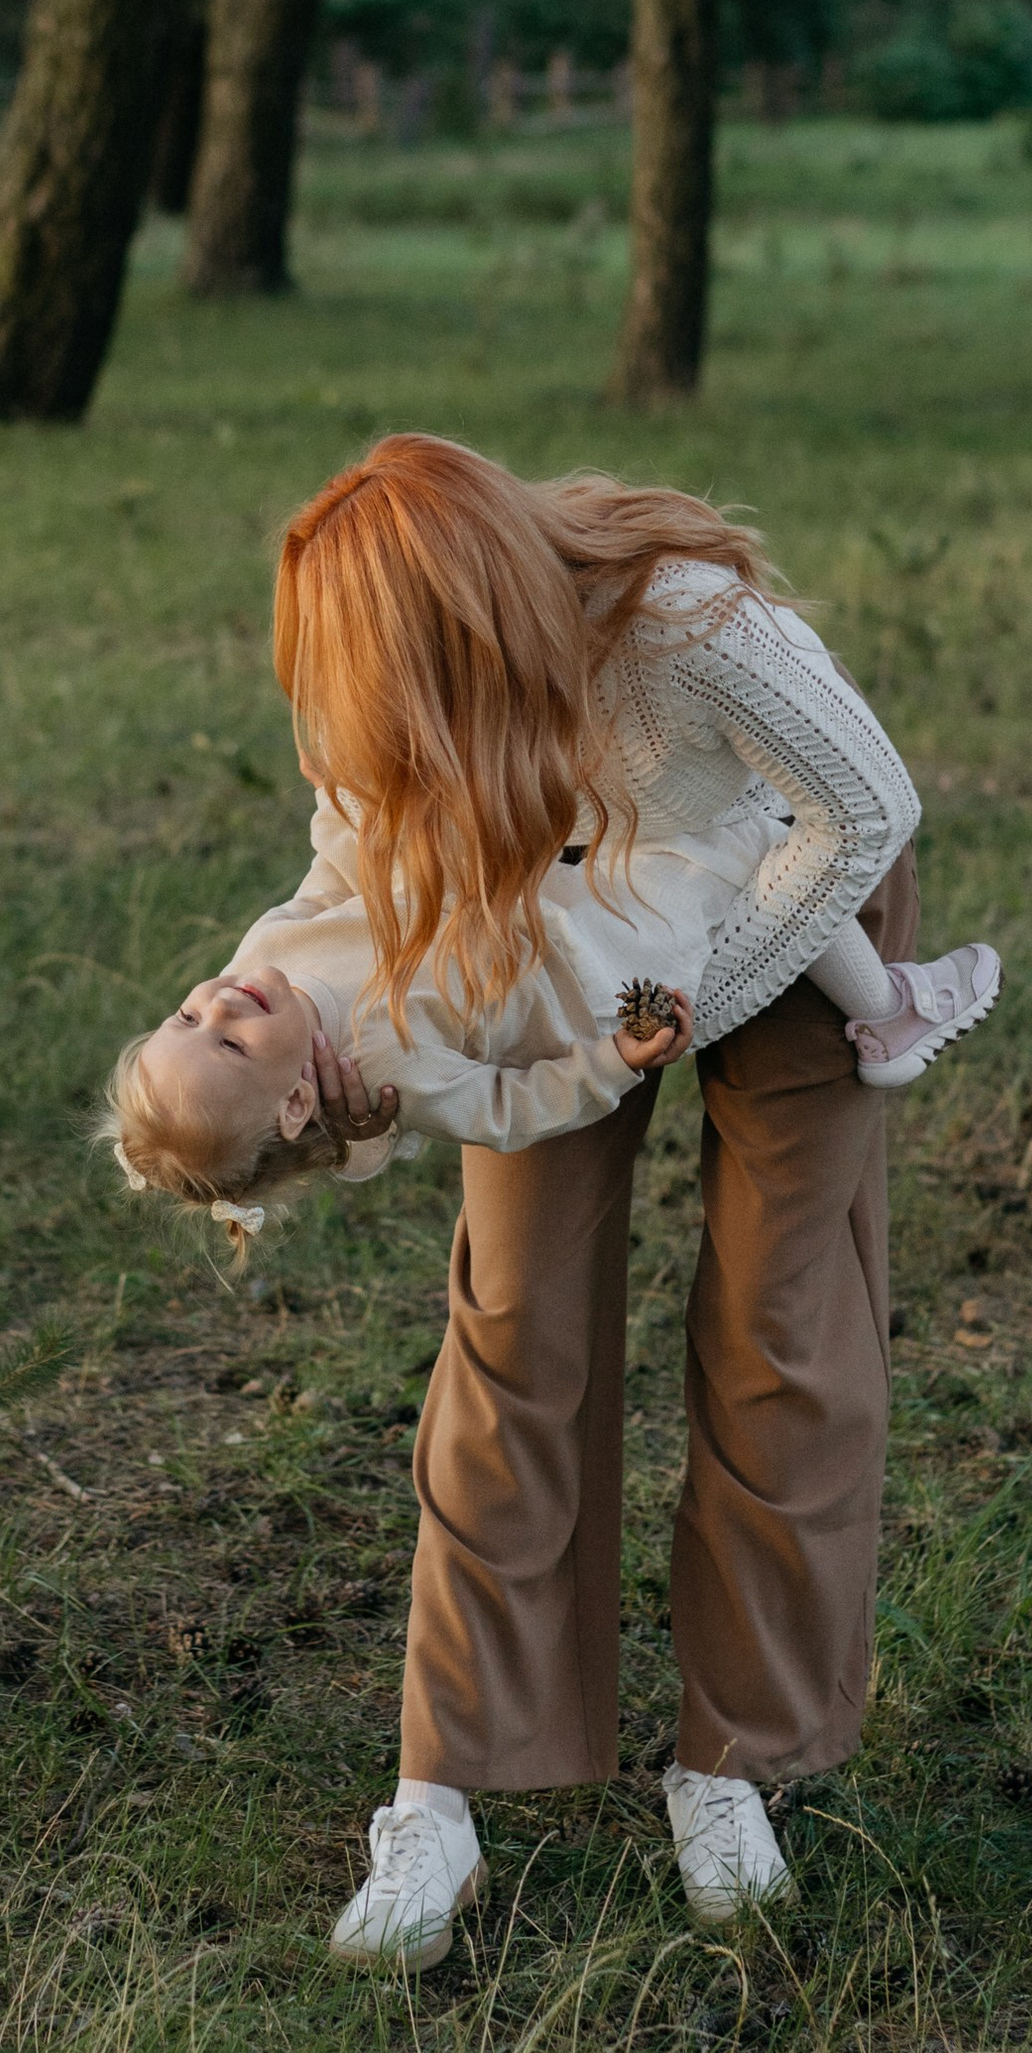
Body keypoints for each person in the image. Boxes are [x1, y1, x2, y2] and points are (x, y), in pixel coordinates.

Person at [259, 434, 941, 1967]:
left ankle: (735, 1762)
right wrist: (297, 1029)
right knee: (515, 1320)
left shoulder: (689, 624)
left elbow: (864, 806)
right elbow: (348, 850)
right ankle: (444, 1786)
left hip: (792, 892)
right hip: (549, 932)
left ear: (475, 632)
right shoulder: (376, 667)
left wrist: (681, 1012)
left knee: (782, 1317)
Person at [98, 776, 998, 1241]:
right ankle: (888, 1012)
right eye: (230, 1044)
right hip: (590, 965)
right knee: (755, 852)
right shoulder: (387, 1066)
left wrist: (347, 787)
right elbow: (507, 1112)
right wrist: (613, 1062)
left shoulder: (264, 965)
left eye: (187, 1019)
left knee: (662, 803)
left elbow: (335, 875)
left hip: (529, 880)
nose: (219, 1003)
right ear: (296, 1100)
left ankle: (883, 1003)